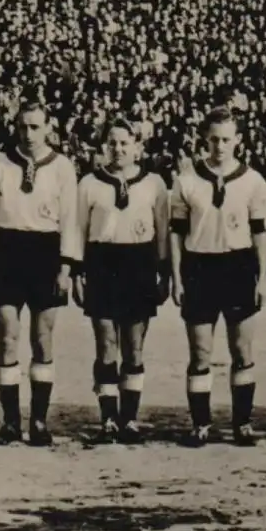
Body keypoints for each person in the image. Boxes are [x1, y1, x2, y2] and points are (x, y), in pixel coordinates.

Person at [0, 101, 78, 447]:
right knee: (7, 338)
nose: (28, 133)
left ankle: (38, 420)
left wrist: (66, 266)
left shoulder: (62, 167)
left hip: (46, 252)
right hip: (7, 249)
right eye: (23, 126)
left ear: (48, 128)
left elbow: (70, 220)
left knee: (42, 338)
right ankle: (9, 422)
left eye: (35, 127)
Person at [169, 106, 266, 448]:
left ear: (238, 140)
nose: (220, 146)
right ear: (204, 139)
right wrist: (177, 277)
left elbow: (260, 233)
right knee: (200, 353)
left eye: (226, 139)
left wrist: (263, 276)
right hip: (199, 268)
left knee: (242, 350)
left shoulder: (253, 181)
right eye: (214, 139)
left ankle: (242, 423)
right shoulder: (186, 180)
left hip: (238, 267)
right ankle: (201, 424)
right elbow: (176, 234)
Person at [73, 118, 170, 445]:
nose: (118, 149)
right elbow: (79, 230)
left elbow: (162, 232)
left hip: (138, 265)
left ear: (137, 147)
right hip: (102, 264)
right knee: (106, 346)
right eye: (112, 143)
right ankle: (108, 420)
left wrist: (164, 273)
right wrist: (77, 272)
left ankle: (129, 419)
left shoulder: (154, 183)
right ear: (104, 147)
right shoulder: (89, 183)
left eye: (125, 143)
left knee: (134, 346)